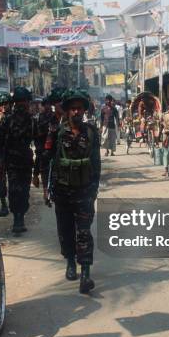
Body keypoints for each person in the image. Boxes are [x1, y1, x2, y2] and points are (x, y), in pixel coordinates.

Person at [47, 89, 101, 294]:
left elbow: (96, 162)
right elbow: (50, 160)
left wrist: (95, 187)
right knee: (66, 230)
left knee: (84, 232)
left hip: (84, 190)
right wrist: (47, 187)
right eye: (73, 109)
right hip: (62, 190)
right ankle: (70, 262)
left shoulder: (91, 132)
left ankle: (85, 273)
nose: (76, 112)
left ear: (84, 111)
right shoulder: (58, 132)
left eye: (79, 108)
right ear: (67, 111)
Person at [2, 86, 34, 234]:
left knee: (23, 190)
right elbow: (2, 142)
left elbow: (37, 139)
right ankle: (17, 219)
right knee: (16, 190)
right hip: (13, 161)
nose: (24, 104)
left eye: (25, 101)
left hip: (24, 161)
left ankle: (20, 217)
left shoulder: (31, 120)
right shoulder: (8, 120)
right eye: (22, 102)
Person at [32, 96, 54, 205]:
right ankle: (46, 193)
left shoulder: (55, 117)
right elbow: (38, 133)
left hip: (52, 149)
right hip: (42, 148)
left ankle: (51, 192)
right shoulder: (39, 118)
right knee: (44, 173)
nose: (47, 106)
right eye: (46, 104)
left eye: (49, 104)